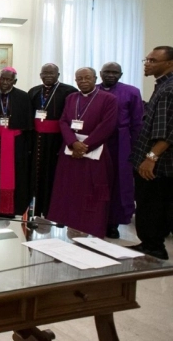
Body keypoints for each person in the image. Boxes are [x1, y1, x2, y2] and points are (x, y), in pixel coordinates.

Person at [47, 67, 117, 238]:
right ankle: (69, 224)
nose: (83, 81)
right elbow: (63, 121)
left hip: (94, 153)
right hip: (70, 152)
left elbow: (107, 125)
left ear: (95, 79)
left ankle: (92, 227)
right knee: (69, 190)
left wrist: (85, 145)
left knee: (92, 192)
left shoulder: (108, 99)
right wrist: (72, 142)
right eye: (79, 78)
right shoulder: (71, 98)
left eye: (87, 78)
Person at [129, 46, 173, 260]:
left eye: (153, 61)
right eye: (146, 60)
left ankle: (153, 247)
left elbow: (166, 131)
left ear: (170, 63)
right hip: (151, 159)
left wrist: (151, 158)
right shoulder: (162, 85)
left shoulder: (168, 89)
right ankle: (150, 243)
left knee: (152, 205)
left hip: (157, 163)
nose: (148, 64)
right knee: (150, 204)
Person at [98, 62, 143, 239]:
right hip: (96, 141)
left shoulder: (131, 92)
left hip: (120, 142)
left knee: (117, 183)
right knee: (95, 180)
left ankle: (112, 223)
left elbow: (137, 122)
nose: (110, 75)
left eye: (114, 72)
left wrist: (135, 148)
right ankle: (93, 219)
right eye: (107, 72)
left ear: (121, 74)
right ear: (100, 74)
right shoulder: (92, 90)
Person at [28, 64, 77, 217]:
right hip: (36, 139)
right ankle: (35, 208)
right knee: (35, 173)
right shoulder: (34, 91)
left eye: (52, 73)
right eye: (45, 73)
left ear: (58, 74)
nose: (48, 75)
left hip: (57, 139)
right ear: (40, 75)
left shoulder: (69, 91)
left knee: (54, 174)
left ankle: (52, 209)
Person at [0, 67, 33, 217]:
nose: (4, 82)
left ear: (15, 81)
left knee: (16, 174)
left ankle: (13, 208)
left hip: (16, 143)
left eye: (8, 79)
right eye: (2, 79)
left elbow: (28, 124)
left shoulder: (23, 97)